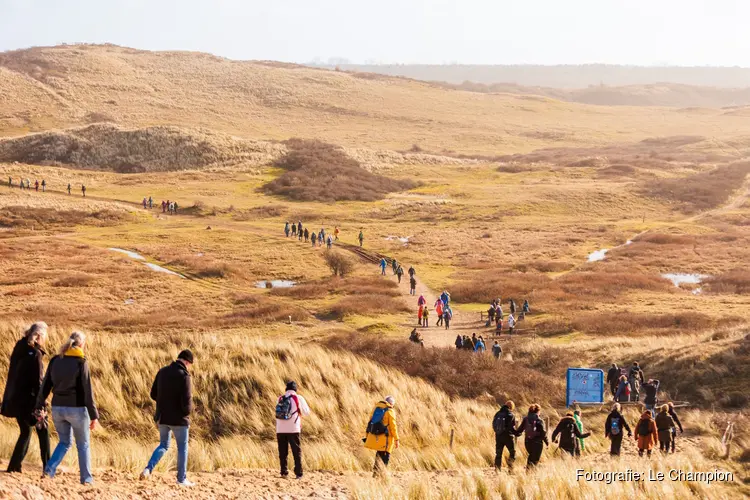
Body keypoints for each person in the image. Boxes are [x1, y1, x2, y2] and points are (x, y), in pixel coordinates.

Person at [36, 331, 98, 485]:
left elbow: (45, 386)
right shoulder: (81, 362)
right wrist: (94, 415)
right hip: (77, 409)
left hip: (58, 408)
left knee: (64, 442)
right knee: (83, 445)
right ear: (82, 344)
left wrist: (38, 405)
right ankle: (87, 479)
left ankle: (49, 470)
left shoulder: (56, 360)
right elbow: (87, 391)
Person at [140, 350, 195, 486]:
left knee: (163, 445)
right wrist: (187, 412)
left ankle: (148, 469)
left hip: (163, 417)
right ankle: (181, 479)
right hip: (179, 419)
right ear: (187, 362)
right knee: (182, 448)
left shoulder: (162, 371)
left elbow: (153, 394)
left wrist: (163, 402)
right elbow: (187, 401)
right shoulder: (185, 376)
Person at [2, 322, 50, 473]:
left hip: (15, 398)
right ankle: (48, 468)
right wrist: (41, 402)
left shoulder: (19, 347)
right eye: (44, 337)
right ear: (39, 336)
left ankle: (14, 466)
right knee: (43, 430)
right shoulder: (35, 354)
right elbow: (38, 381)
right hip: (30, 401)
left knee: (25, 431)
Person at [275, 381, 311, 479]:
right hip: (293, 428)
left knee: (282, 451)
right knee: (296, 451)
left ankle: (284, 472)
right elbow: (307, 412)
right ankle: (298, 473)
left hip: (280, 429)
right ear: (295, 389)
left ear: (286, 389)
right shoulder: (298, 398)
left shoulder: (280, 398)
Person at [363, 396, 399, 477]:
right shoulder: (390, 411)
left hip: (376, 437)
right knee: (386, 456)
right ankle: (382, 475)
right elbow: (393, 427)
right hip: (386, 438)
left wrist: (367, 435)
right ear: (391, 404)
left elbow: (370, 423)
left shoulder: (376, 408)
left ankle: (375, 474)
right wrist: (397, 439)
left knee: (378, 455)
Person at [515, 404, 548, 468]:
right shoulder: (539, 420)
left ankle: (528, 471)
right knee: (535, 458)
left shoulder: (525, 419)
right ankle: (531, 472)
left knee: (531, 456)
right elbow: (543, 433)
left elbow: (519, 430)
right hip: (537, 442)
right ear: (538, 411)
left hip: (527, 441)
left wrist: (515, 433)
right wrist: (547, 442)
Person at [492, 401, 518, 471]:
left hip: (498, 436)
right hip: (508, 437)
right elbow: (511, 428)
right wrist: (517, 433)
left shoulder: (497, 414)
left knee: (498, 454)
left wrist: (497, 432)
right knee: (512, 452)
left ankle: (497, 470)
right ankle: (510, 468)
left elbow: (493, 424)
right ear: (511, 407)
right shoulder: (510, 414)